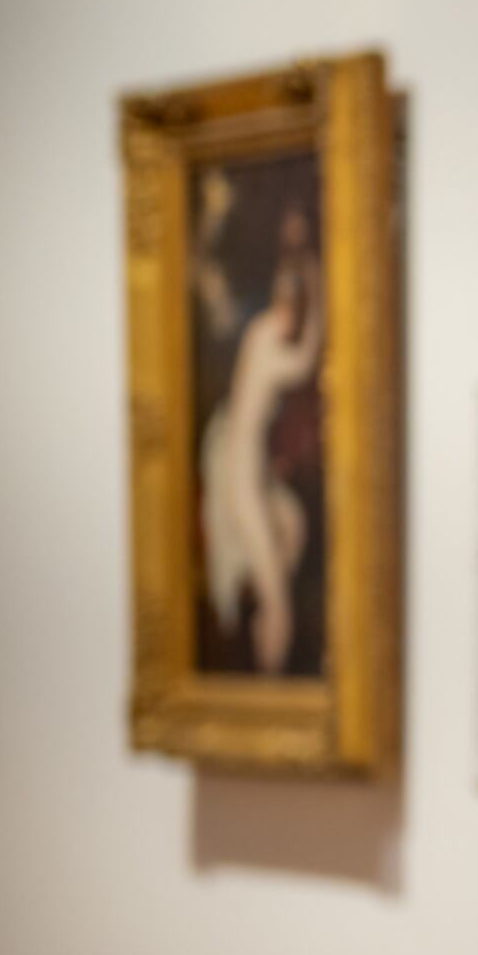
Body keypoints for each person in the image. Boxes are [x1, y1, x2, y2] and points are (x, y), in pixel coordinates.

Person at [197, 205, 324, 672]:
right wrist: (316, 281)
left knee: (292, 527)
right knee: (278, 601)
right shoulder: (271, 347)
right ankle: (269, 675)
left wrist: (301, 264)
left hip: (246, 471)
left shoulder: (258, 332)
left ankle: (265, 642)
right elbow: (309, 354)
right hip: (241, 480)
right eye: (294, 307)